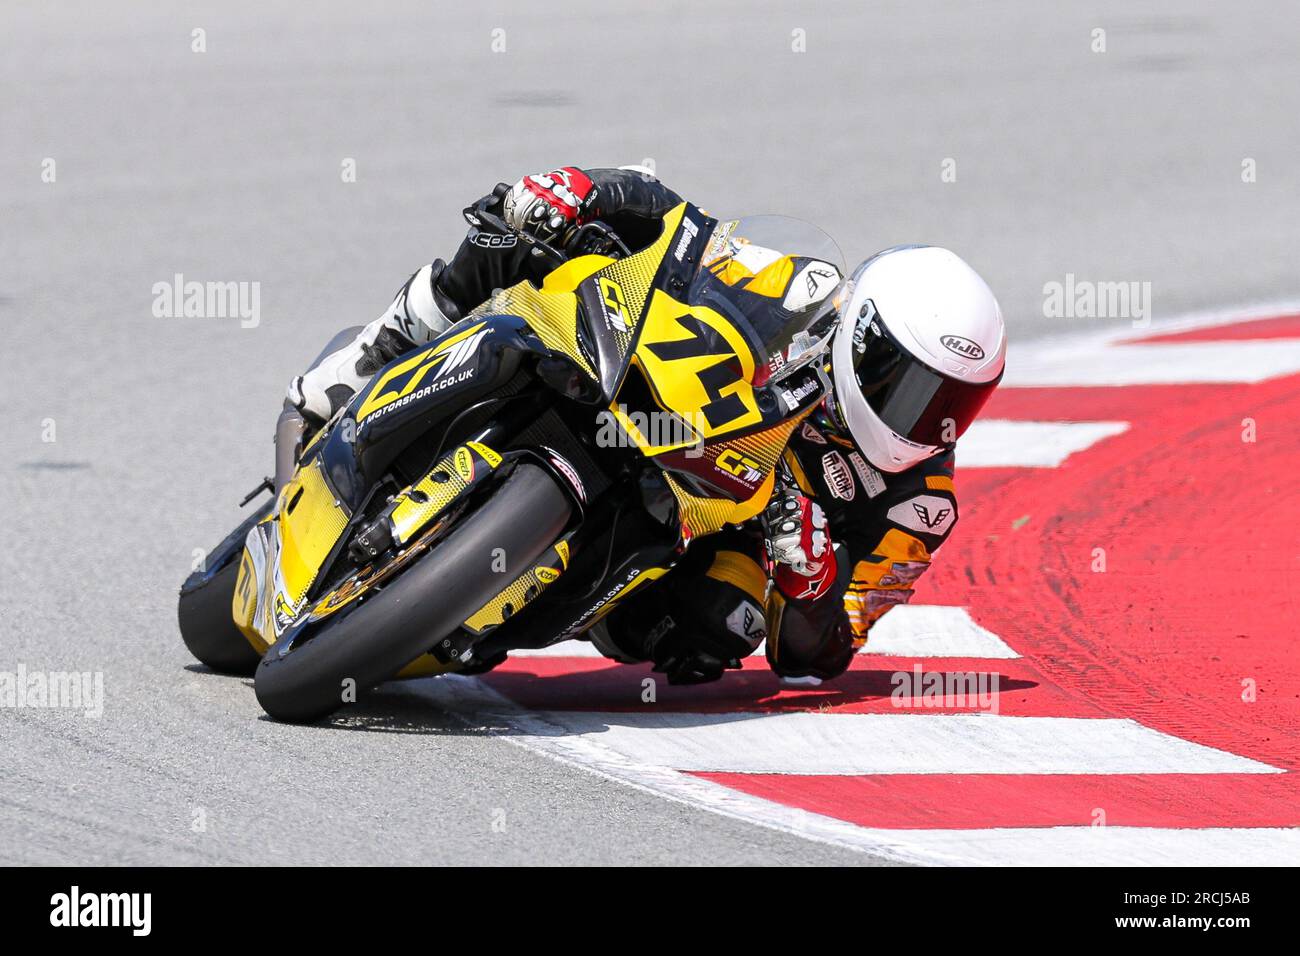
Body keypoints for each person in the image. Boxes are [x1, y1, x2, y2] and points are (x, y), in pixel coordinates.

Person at [287, 166, 1007, 685]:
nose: (928, 417)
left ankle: (492, 601)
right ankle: (390, 342)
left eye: (952, 402)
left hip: (712, 527)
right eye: (911, 384)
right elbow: (682, 225)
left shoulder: (920, 506)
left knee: (722, 620)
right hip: (658, 402)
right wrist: (585, 189)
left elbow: (820, 654)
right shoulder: (799, 290)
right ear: (862, 332)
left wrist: (810, 568)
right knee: (530, 239)